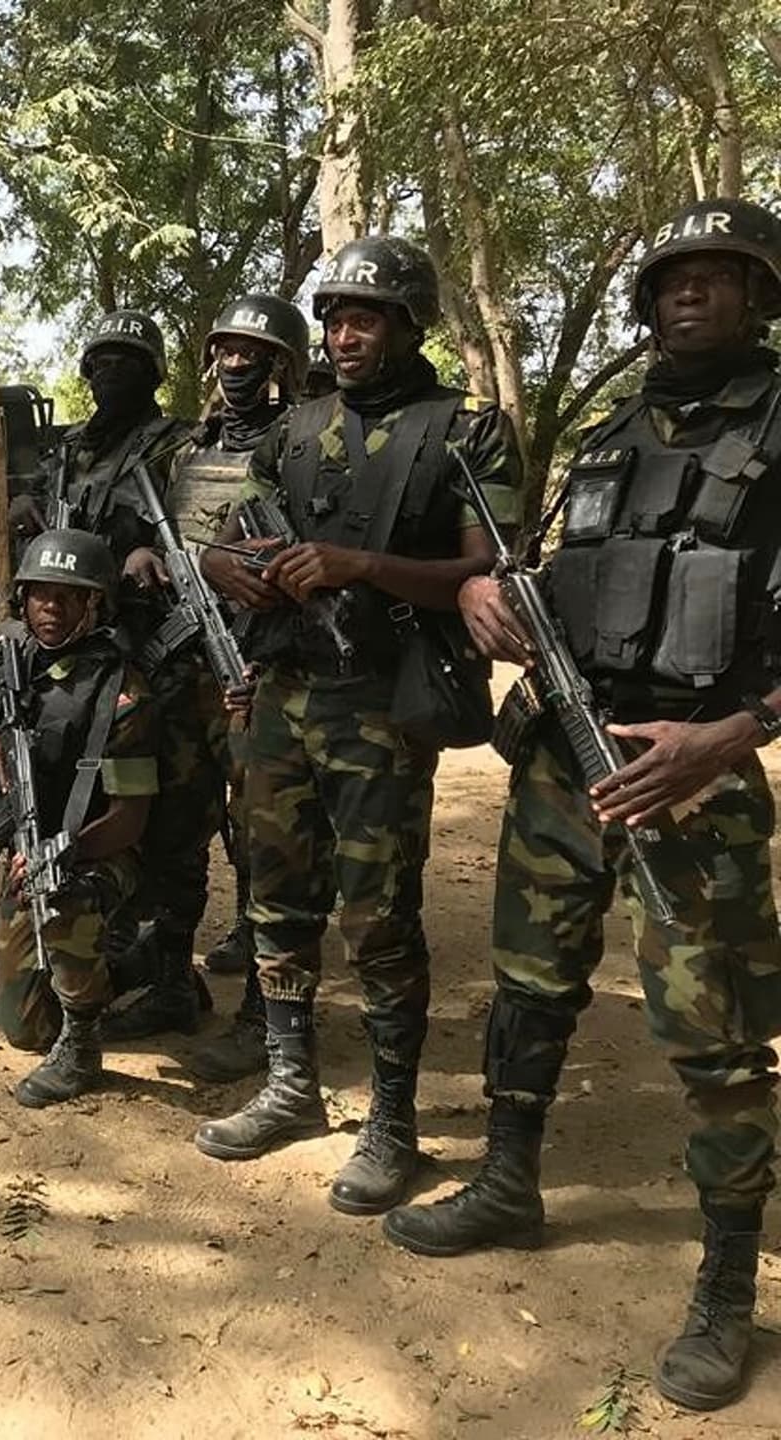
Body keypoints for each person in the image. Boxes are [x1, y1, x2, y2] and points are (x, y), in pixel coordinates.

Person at [382, 198, 781, 1414]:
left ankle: (724, 1288)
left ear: (761, 298)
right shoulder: (613, 431)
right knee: (532, 982)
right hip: (565, 750)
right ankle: (509, 1181)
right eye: (672, 279)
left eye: (719, 278)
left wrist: (732, 734)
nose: (689, 296)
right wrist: (489, 603)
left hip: (694, 774)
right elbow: (570, 573)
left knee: (710, 1035)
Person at [191, 236, 522, 1217]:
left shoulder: (467, 431)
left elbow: (483, 577)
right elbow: (219, 532)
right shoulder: (292, 430)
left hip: (383, 702)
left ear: (410, 325)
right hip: (283, 695)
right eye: (332, 318)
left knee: (379, 919)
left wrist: (359, 566)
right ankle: (292, 1085)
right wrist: (229, 569)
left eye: (363, 318)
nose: (342, 334)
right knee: (276, 901)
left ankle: (392, 1122)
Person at [0, 529, 159, 1107]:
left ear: (93, 603)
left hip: (99, 851)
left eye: (69, 596)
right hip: (26, 843)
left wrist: (63, 851)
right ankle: (128, 962)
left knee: (66, 898)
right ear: (22, 598)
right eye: (40, 594)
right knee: (26, 1028)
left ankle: (82, 1044)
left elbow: (129, 819)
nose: (51, 608)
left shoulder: (120, 690)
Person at [35, 310, 206, 1038]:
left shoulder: (178, 446)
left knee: (178, 821)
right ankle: (111, 949)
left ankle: (174, 977)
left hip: (161, 657)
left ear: (155, 375)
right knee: (79, 798)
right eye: (101, 361)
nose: (111, 373)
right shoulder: (69, 451)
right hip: (83, 657)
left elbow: (200, 534)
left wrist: (155, 559)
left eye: (129, 363)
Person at [163, 293, 309, 1083]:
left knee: (263, 838)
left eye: (253, 355)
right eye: (225, 352)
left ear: (283, 364)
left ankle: (267, 1005)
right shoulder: (192, 446)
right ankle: (171, 979)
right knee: (181, 820)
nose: (236, 367)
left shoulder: (305, 440)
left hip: (259, 661)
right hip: (184, 660)